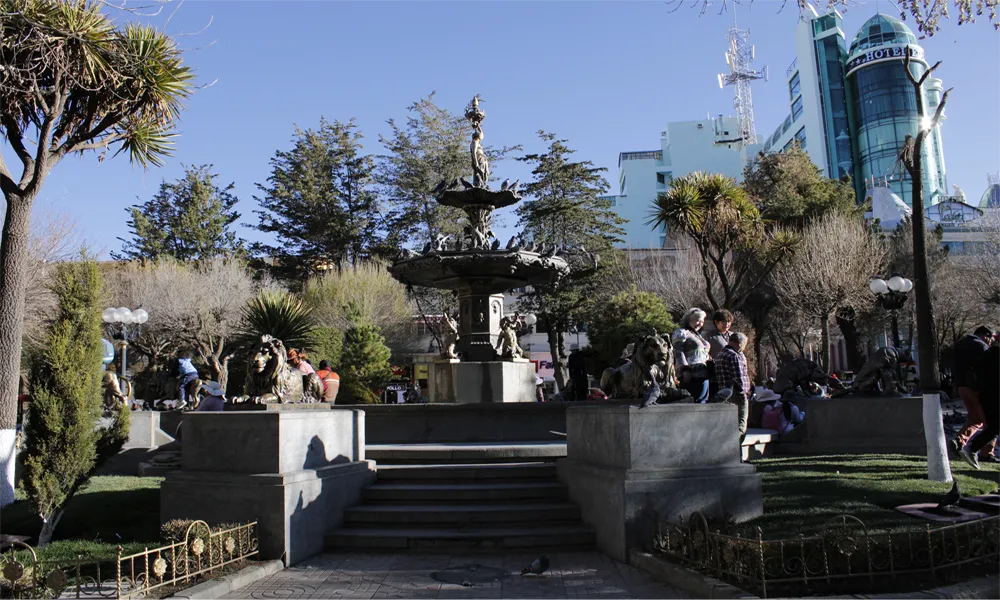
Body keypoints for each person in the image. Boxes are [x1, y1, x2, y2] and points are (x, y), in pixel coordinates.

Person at [951, 326, 996, 462]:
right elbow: (988, 368)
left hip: (961, 387)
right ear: (985, 335)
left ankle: (959, 441)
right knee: (991, 421)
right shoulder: (981, 347)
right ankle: (986, 453)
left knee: (975, 418)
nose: (991, 342)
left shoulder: (960, 344)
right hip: (976, 389)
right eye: (990, 338)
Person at [960, 332, 1000, 469]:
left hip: (987, 396)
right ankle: (972, 449)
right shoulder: (994, 356)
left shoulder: (988, 354)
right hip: (993, 396)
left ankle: (972, 449)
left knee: (994, 427)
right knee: (994, 427)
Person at [713, 332, 751, 443]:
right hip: (737, 395)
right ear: (740, 344)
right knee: (741, 426)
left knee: (728, 426)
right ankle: (735, 449)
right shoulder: (734, 356)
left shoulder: (720, 354)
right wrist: (744, 393)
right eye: (744, 345)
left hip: (724, 394)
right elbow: (738, 378)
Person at [672, 308, 712, 403]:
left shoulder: (698, 335)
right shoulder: (681, 332)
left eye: (702, 321)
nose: (700, 324)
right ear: (690, 319)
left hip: (704, 372)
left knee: (703, 401)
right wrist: (684, 369)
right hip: (691, 374)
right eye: (698, 320)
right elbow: (678, 352)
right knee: (692, 401)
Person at [705, 309, 734, 396]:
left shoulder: (733, 335)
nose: (727, 324)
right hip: (716, 373)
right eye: (724, 322)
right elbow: (705, 354)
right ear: (716, 322)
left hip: (732, 371)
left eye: (729, 322)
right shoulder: (709, 336)